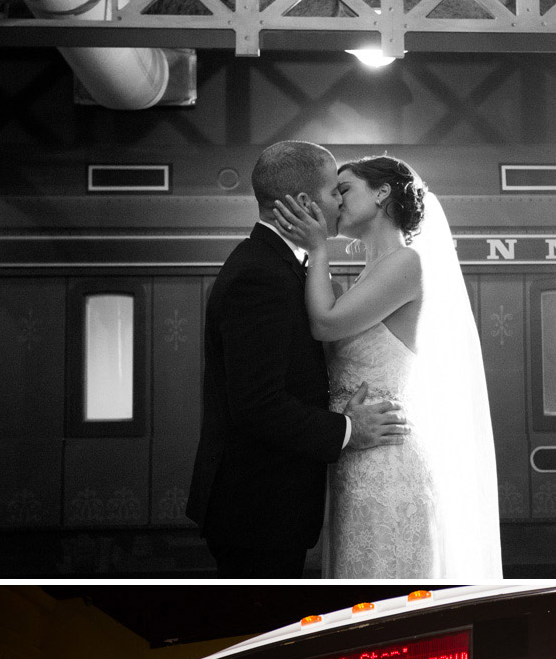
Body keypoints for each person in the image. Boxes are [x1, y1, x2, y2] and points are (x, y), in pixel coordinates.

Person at [272, 154, 503, 579]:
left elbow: (324, 324)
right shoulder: (370, 273)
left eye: (344, 189)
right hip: (358, 452)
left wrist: (318, 247)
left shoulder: (406, 263)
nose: (335, 202)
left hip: (388, 461)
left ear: (382, 193)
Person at [186, 140, 408, 577]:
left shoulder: (275, 266)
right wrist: (349, 428)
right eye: (333, 193)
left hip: (266, 506)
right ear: (305, 202)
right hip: (256, 510)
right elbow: (257, 405)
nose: (339, 203)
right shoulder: (260, 276)